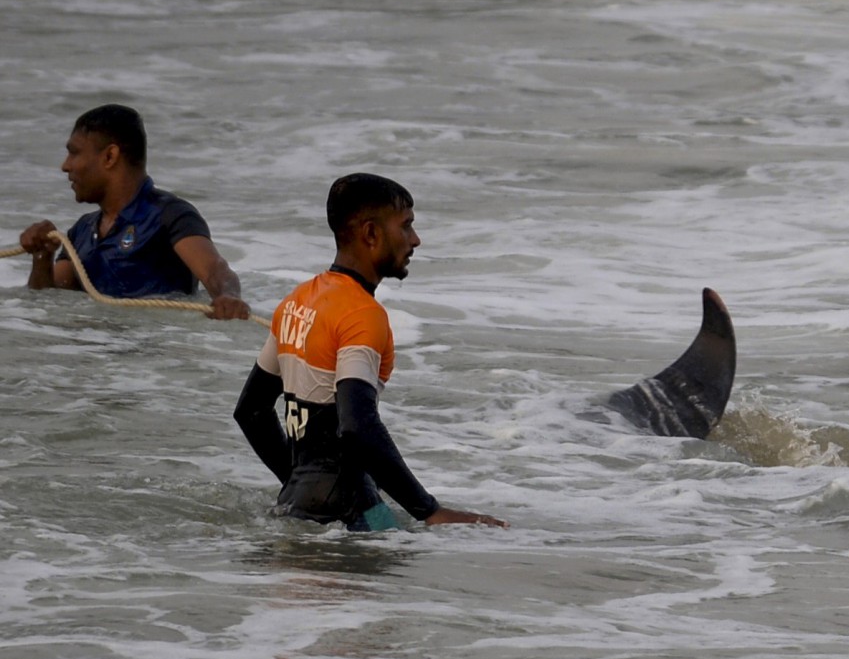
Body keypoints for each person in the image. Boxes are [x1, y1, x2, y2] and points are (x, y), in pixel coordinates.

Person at [232, 173, 505, 531]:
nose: (415, 240)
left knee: (384, 538)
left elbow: (251, 411)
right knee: (417, 562)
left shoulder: (296, 302)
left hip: (296, 503)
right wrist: (428, 510)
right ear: (371, 234)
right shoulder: (362, 315)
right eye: (406, 226)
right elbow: (357, 426)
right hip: (354, 508)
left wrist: (302, 483)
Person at [17, 104, 250, 319]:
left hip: (154, 355)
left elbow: (215, 270)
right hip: (91, 352)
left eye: (74, 153)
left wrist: (228, 297)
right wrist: (42, 256)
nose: (65, 165)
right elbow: (47, 302)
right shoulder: (82, 231)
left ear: (110, 156)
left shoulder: (168, 215)